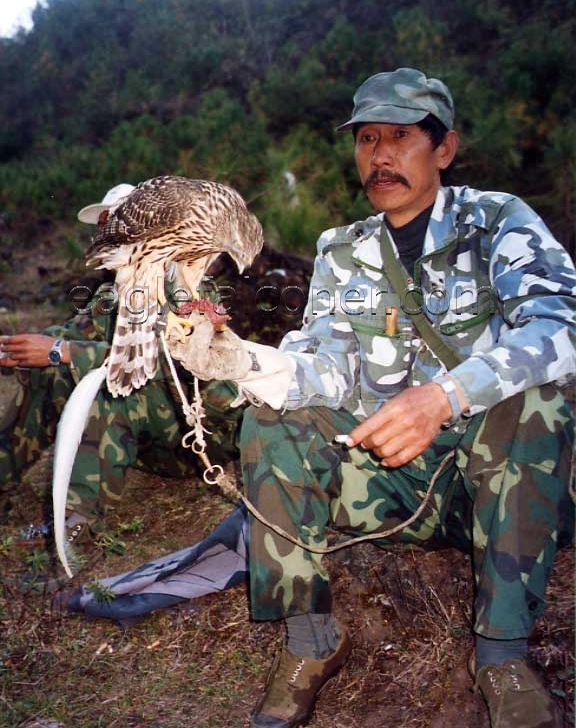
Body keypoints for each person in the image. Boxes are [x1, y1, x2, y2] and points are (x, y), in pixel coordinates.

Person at [238, 68, 575, 728]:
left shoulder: (497, 221)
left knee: (531, 400)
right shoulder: (342, 250)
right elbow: (326, 368)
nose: (380, 155)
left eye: (400, 137)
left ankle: (502, 656)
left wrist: (446, 395)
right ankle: (312, 640)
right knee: (270, 415)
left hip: (505, 481)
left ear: (444, 148)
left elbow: (560, 326)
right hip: (392, 483)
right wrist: (245, 362)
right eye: (367, 139)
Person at [0, 184, 243, 557]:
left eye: (113, 222)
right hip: (149, 436)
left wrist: (63, 352)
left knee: (107, 392)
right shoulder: (111, 294)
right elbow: (64, 338)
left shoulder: (187, 286)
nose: (104, 234)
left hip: (193, 439)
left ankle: (72, 534)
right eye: (101, 226)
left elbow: (174, 364)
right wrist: (15, 351)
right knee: (48, 368)